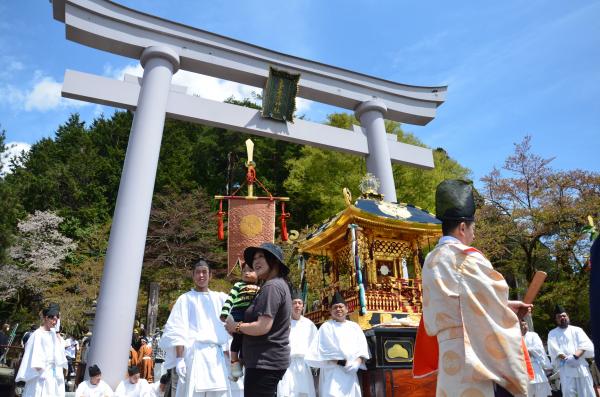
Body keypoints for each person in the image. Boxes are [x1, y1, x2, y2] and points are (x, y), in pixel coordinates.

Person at [416, 179, 532, 396]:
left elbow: (461, 301)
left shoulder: (430, 261)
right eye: (472, 229)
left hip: (448, 353)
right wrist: (506, 312)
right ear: (462, 227)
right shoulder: (467, 258)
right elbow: (487, 304)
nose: (473, 235)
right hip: (475, 353)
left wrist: (504, 305)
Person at [160, 258, 241, 397]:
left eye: (204, 272)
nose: (201, 275)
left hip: (217, 356)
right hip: (194, 354)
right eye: (198, 272)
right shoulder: (185, 299)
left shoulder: (220, 298)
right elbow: (177, 330)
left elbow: (234, 320)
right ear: (193, 275)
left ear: (210, 275)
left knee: (220, 392)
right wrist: (179, 358)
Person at [224, 242, 292, 397]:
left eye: (261, 256)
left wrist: (236, 327)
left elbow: (263, 326)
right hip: (265, 361)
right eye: (254, 259)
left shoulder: (272, 287)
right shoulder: (275, 285)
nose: (256, 262)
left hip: (265, 362)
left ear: (274, 261)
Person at [304, 291, 369, 397]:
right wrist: (342, 363)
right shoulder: (326, 327)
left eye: (340, 307)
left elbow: (362, 348)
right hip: (333, 372)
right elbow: (326, 351)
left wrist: (357, 362)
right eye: (335, 307)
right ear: (330, 311)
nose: (338, 309)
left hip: (351, 372)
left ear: (347, 309)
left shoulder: (354, 327)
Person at [15, 303, 68, 397]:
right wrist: (41, 372)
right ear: (45, 318)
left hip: (54, 373)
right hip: (41, 374)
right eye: (52, 318)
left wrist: (57, 333)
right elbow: (34, 356)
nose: (54, 321)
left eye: (56, 318)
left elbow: (61, 350)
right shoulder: (37, 334)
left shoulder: (54, 334)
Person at [220, 262, 260, 380]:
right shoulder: (238, 285)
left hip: (251, 317)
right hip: (237, 314)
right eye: (244, 271)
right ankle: (234, 363)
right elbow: (230, 299)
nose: (246, 273)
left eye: (250, 270)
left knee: (246, 341)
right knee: (237, 339)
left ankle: (240, 366)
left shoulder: (260, 288)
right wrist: (224, 313)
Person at [547, 305, 595, 397]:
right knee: (568, 393)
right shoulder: (552, 333)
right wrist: (567, 358)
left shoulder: (577, 330)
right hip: (566, 368)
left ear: (567, 317)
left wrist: (575, 357)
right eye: (559, 317)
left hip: (581, 366)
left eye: (564, 316)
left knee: (587, 392)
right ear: (556, 319)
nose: (562, 318)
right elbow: (555, 349)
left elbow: (585, 344)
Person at [277, 291, 318, 397]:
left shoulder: (309, 325)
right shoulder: (283, 323)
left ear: (303, 306)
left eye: (300, 303)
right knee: (286, 392)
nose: (297, 305)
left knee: (304, 393)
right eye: (294, 303)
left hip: (304, 366)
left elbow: (316, 346)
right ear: (290, 306)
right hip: (287, 365)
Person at [520, 320, 552, 397]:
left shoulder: (533, 335)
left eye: (525, 324)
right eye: (522, 325)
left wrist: (525, 351)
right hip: (522, 369)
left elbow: (539, 349)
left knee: (541, 393)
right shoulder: (515, 337)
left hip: (536, 368)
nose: (524, 327)